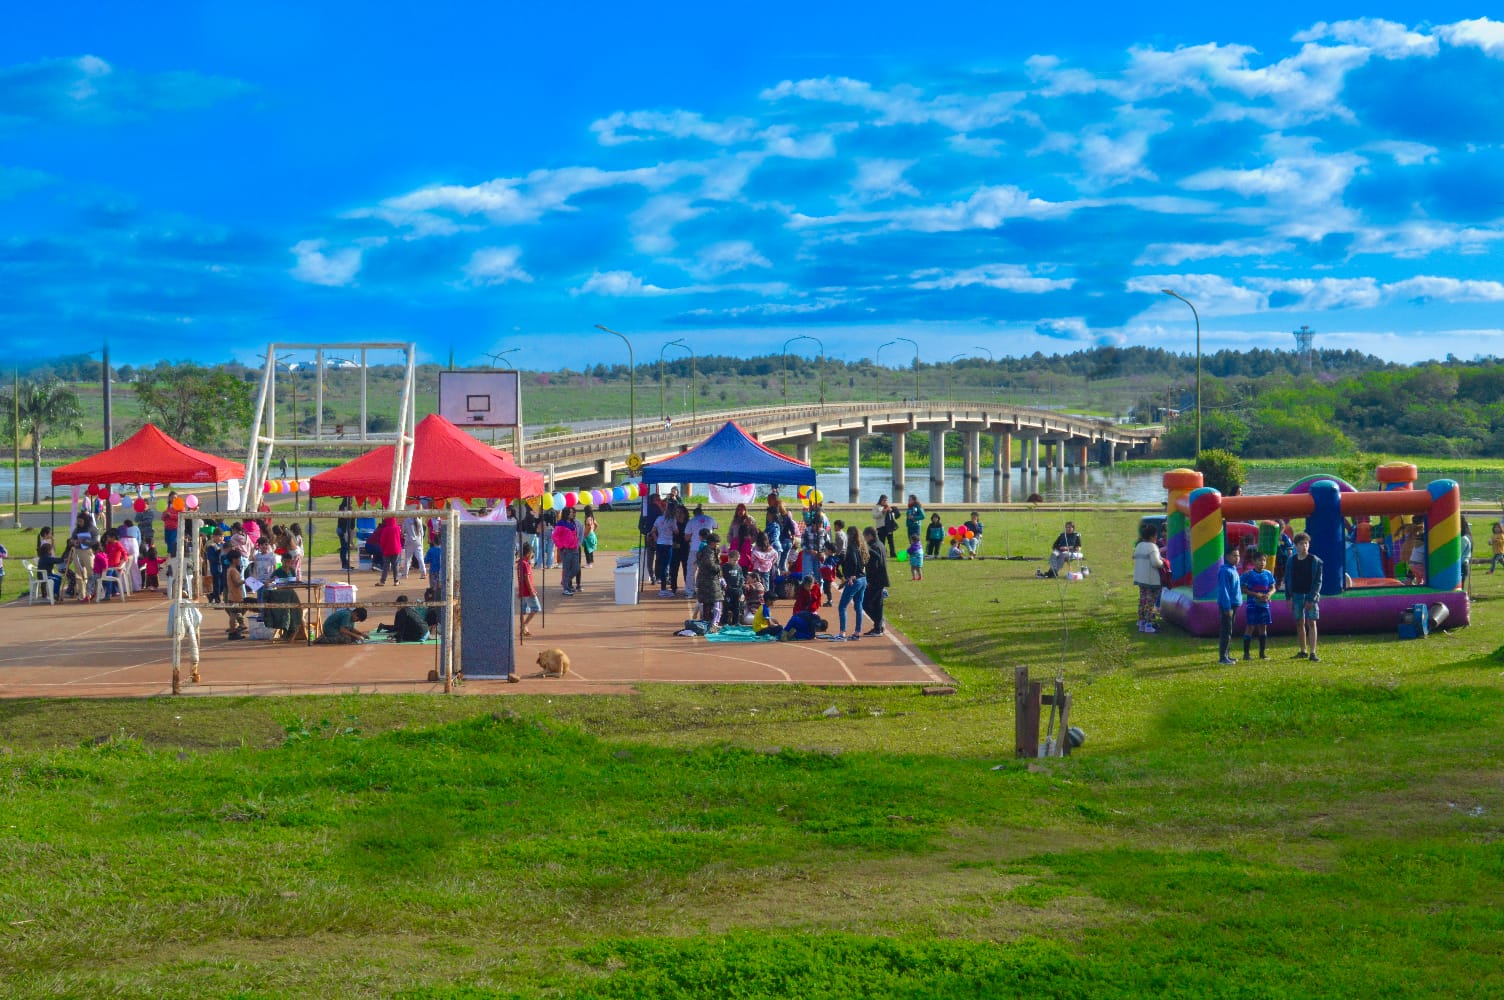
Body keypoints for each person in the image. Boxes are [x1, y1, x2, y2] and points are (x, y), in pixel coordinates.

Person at [1284, 531, 1323, 662]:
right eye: (1301, 544)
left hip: (1310, 595)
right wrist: (1288, 597)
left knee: (1312, 622)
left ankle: (1313, 652)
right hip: (1296, 595)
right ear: (1296, 546)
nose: (1304, 546)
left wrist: (1312, 598)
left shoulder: (1315, 561)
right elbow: (1288, 578)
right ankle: (1303, 650)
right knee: (1299, 622)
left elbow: (1318, 581)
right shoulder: (1291, 561)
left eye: (1306, 543)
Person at [834, 525, 868, 641]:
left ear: (849, 535)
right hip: (863, 579)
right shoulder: (861, 547)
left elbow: (853, 561)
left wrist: (851, 575)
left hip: (855, 580)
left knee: (842, 606)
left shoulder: (851, 548)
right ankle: (857, 632)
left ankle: (842, 632)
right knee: (858, 605)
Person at [1241, 550, 1276, 660]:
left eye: (1264, 560)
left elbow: (1273, 587)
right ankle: (1246, 654)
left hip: (1264, 605)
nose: (1262, 562)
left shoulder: (1268, 574)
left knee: (1263, 627)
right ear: (1254, 561)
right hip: (1252, 605)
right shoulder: (1249, 574)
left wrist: (1269, 594)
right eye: (1260, 560)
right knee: (1250, 626)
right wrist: (1256, 594)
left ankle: (1262, 653)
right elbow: (1243, 589)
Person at [1132, 522, 1166, 633]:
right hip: (1151, 579)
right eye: (1156, 535)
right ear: (1152, 536)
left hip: (1140, 578)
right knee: (1150, 602)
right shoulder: (1152, 547)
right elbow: (1155, 562)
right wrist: (1164, 563)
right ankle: (1148, 624)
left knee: (1142, 600)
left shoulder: (1139, 546)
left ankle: (1141, 621)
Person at [1216, 547, 1243, 666]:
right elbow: (1224, 590)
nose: (1237, 558)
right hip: (1228, 606)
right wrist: (1227, 607)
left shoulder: (1233, 570)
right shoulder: (1225, 571)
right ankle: (1223, 657)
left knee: (1229, 631)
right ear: (1227, 557)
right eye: (1234, 556)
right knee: (1226, 631)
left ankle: (1227, 654)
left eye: (1238, 556)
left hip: (1234, 604)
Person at [694, 533, 726, 631]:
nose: (718, 546)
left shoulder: (706, 551)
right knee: (717, 601)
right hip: (710, 580)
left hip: (705, 580)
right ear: (712, 543)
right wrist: (719, 568)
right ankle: (714, 623)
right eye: (717, 544)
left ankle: (707, 622)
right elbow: (710, 563)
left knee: (707, 602)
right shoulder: (709, 552)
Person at [861, 526, 889, 636]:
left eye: (865, 537)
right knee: (878, 604)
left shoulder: (873, 548)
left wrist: (869, 580)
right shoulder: (881, 545)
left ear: (869, 535)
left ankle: (878, 624)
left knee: (866, 603)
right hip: (881, 579)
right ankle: (878, 625)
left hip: (875, 580)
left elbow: (873, 566)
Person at [780, 575, 824, 641]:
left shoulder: (816, 588)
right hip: (800, 611)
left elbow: (818, 600)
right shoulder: (801, 590)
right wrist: (803, 614)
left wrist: (813, 609)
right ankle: (796, 632)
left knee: (814, 621)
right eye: (807, 586)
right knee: (806, 629)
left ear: (813, 584)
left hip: (812, 610)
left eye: (810, 586)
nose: (808, 588)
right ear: (804, 584)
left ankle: (808, 633)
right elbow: (799, 604)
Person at [652, 502, 678, 596]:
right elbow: (676, 531)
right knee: (666, 566)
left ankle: (663, 586)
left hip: (660, 544)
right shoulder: (672, 520)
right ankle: (663, 588)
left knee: (662, 564)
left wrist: (656, 540)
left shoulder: (659, 519)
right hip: (668, 544)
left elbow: (653, 531)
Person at [555, 508, 582, 596]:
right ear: (566, 514)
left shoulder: (572, 523)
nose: (572, 514)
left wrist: (577, 545)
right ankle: (566, 589)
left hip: (575, 549)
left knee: (576, 568)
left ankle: (564, 581)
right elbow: (555, 536)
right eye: (570, 512)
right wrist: (561, 547)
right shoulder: (560, 524)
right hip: (566, 550)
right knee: (566, 569)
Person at [517, 541, 539, 639]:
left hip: (523, 591)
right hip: (526, 592)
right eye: (531, 553)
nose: (532, 555)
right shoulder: (524, 564)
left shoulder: (522, 563)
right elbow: (526, 578)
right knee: (536, 608)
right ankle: (524, 625)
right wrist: (531, 591)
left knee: (523, 610)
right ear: (528, 553)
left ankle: (524, 629)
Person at [374, 516, 403, 587]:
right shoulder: (398, 528)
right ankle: (396, 581)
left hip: (387, 550)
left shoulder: (385, 529)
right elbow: (400, 538)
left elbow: (382, 541)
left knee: (385, 566)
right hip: (396, 549)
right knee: (395, 565)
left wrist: (383, 548)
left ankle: (382, 581)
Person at [224, 556, 248, 640]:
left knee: (234, 614)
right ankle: (233, 632)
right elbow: (236, 583)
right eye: (238, 559)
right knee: (233, 615)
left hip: (234, 594)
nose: (240, 561)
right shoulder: (233, 570)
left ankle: (234, 630)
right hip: (234, 595)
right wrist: (245, 581)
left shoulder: (230, 569)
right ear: (234, 559)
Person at [336, 498, 356, 570]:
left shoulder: (349, 508)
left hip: (345, 529)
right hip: (343, 529)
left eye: (351, 500)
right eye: (350, 500)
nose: (351, 501)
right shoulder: (343, 507)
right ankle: (344, 565)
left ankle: (346, 564)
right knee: (344, 547)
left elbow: (352, 523)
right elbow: (344, 521)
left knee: (345, 547)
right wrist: (345, 533)